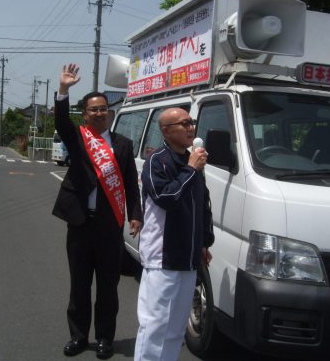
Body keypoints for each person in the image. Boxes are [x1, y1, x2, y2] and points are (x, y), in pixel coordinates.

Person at [52, 63, 142, 359]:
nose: (99, 113)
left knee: (108, 287)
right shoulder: (77, 138)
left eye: (104, 108)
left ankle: (105, 338)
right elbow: (62, 123)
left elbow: (130, 185)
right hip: (79, 224)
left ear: (109, 112)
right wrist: (63, 90)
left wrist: (135, 214)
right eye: (93, 109)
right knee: (79, 284)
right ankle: (78, 337)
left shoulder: (123, 145)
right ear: (85, 114)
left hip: (108, 226)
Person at [134, 107, 214, 361]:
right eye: (184, 123)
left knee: (176, 327)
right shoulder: (156, 161)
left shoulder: (194, 163)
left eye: (191, 122)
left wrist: (204, 243)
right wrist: (190, 170)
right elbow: (166, 197)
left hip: (188, 258)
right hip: (162, 257)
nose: (191, 127)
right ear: (166, 131)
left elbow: (203, 206)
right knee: (155, 323)